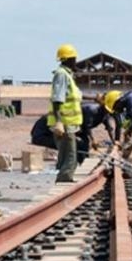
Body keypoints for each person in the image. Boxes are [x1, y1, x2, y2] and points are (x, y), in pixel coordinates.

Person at [48, 44, 96, 183]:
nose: (76, 61)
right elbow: (57, 99)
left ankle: (64, 180)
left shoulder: (68, 75)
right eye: (74, 58)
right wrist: (59, 122)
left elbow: (78, 96)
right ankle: (64, 181)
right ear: (69, 59)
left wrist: (95, 98)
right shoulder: (62, 75)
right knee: (70, 156)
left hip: (69, 124)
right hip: (64, 124)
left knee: (68, 155)